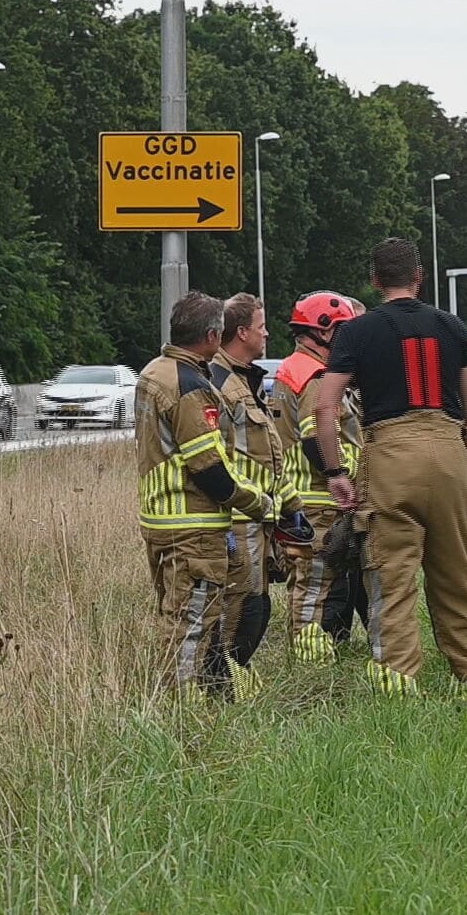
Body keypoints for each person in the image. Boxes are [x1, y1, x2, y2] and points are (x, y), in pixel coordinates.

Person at [316, 238, 467, 707]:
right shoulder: (454, 327)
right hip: (449, 453)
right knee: (456, 577)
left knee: (391, 580)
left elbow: (325, 408)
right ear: (420, 277)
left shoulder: (356, 332)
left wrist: (335, 471)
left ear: (375, 280)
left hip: (391, 458)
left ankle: (398, 689)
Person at [136, 291, 276, 701]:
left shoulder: (154, 372)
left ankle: (184, 697)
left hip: (161, 518)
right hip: (192, 526)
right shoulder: (191, 386)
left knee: (176, 614)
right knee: (191, 621)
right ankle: (183, 706)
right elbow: (209, 468)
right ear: (213, 336)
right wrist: (258, 503)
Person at [207, 293, 304, 699]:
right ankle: (219, 685)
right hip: (237, 517)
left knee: (259, 604)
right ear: (242, 332)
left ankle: (233, 678)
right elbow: (212, 456)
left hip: (261, 516)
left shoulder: (246, 380)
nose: (267, 333)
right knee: (241, 604)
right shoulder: (216, 383)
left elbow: (268, 455)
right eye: (261, 326)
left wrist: (292, 507)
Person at [268, 290, 366, 663]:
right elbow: (316, 440)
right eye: (345, 331)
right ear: (324, 332)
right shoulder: (315, 376)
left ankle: (311, 653)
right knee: (314, 586)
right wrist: (346, 474)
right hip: (321, 498)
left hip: (305, 495)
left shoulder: (293, 368)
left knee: (309, 584)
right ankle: (312, 661)